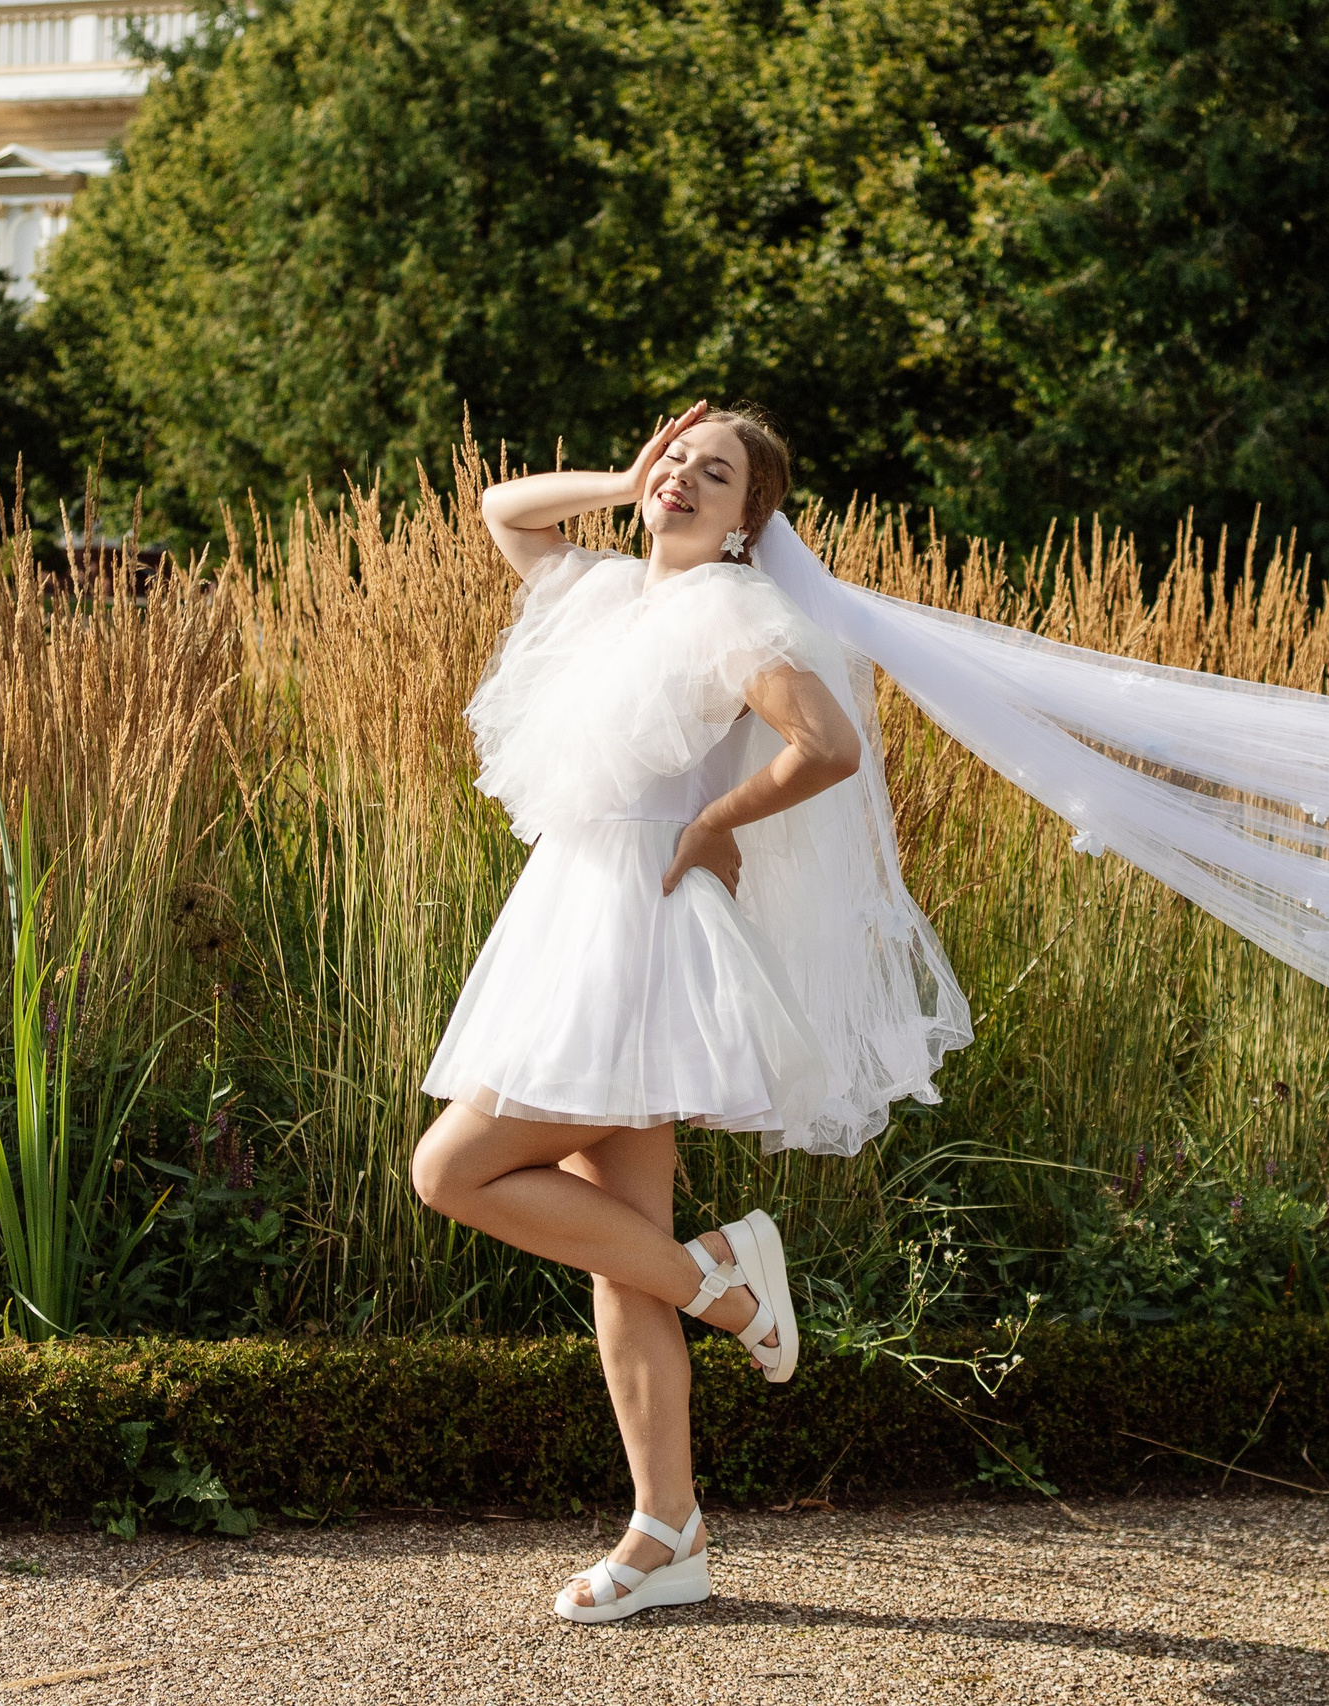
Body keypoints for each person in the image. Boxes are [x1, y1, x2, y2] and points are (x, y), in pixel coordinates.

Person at [408, 401, 937, 1624]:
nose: (685, 482)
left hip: (638, 920)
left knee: (450, 1168)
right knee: (618, 1252)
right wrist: (623, 471)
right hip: (576, 918)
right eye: (677, 463)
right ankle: (668, 1528)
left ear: (752, 517)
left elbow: (827, 742)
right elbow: (501, 509)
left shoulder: (726, 610)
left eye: (718, 474)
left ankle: (727, 1283)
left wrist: (709, 825)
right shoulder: (599, 592)